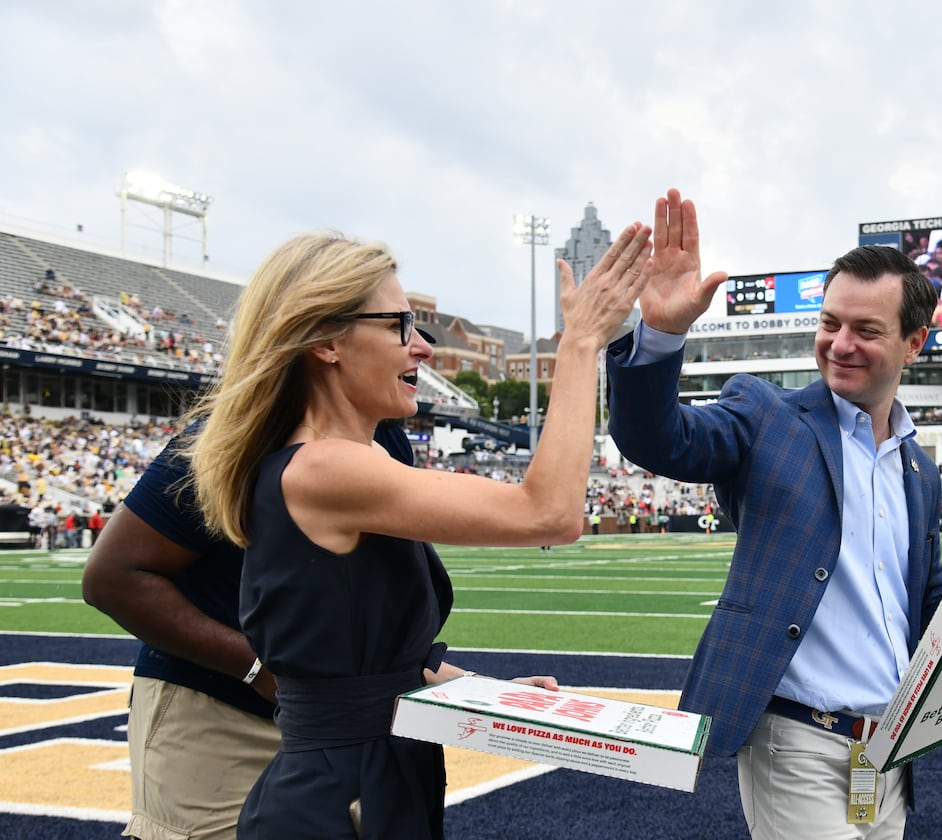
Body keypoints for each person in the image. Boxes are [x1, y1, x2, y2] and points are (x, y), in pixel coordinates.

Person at [607, 189, 942, 839]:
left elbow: (927, 601)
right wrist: (661, 334)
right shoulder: (765, 415)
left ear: (914, 343)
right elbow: (660, 440)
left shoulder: (917, 469)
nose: (840, 344)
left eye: (866, 330)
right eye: (830, 323)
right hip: (794, 743)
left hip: (887, 753)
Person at [185, 228, 651, 839]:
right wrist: (581, 341)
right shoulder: (326, 466)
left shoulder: (347, 460)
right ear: (326, 340)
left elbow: (376, 675)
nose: (422, 348)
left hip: (366, 783)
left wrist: (494, 696)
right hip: (339, 799)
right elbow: (550, 514)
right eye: (399, 325)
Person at [81, 420, 415, 840]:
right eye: (403, 346)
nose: (421, 351)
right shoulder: (234, 432)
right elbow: (112, 576)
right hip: (220, 708)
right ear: (327, 350)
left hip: (336, 716)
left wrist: (469, 689)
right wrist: (257, 668)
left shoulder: (386, 441)